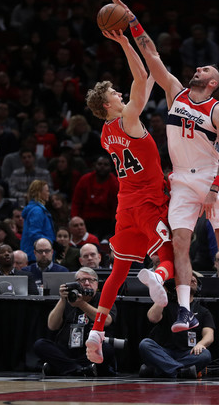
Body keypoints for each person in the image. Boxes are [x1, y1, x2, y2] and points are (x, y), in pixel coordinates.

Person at [116, 0, 219, 347]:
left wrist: (214, 191)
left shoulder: (218, 111)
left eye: (206, 70)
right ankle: (184, 310)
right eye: (199, 67)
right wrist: (132, 20)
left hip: (212, 178)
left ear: (213, 83)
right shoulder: (176, 93)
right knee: (181, 240)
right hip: (180, 178)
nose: (199, 69)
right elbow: (152, 55)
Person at [83, 25, 176, 365]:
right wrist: (124, 41)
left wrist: (152, 64)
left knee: (118, 271)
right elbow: (140, 78)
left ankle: (96, 332)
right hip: (149, 201)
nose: (121, 94)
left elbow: (146, 78)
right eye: (115, 94)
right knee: (170, 258)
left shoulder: (107, 134)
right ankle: (158, 278)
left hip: (126, 206)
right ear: (107, 104)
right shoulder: (129, 120)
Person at [34, 267, 117, 377]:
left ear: (97, 284)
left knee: (107, 349)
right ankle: (80, 369)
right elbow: (52, 326)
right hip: (68, 350)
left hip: (90, 350)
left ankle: (64, 368)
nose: (87, 283)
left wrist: (81, 304)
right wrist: (62, 300)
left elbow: (106, 321)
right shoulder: (69, 299)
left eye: (91, 280)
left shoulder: (104, 298)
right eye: (82, 280)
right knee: (40, 345)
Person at [138, 271, 214, 379]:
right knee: (145, 344)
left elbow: (209, 335)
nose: (192, 280)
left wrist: (201, 344)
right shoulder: (167, 304)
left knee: (205, 355)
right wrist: (162, 294)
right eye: (189, 278)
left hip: (188, 353)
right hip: (165, 352)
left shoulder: (203, 311)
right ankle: (180, 371)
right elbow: (152, 318)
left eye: (194, 280)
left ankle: (161, 369)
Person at [70, 155, 119, 240]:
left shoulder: (115, 183)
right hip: (86, 220)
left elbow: (117, 207)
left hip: (106, 221)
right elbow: (76, 202)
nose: (102, 167)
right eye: (99, 164)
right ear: (94, 165)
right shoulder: (85, 180)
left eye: (105, 164)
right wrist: (74, 218)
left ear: (110, 168)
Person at [20, 180, 55, 262]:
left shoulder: (36, 209)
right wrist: (50, 243)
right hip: (36, 256)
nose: (49, 193)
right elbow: (35, 233)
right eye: (47, 191)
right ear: (39, 192)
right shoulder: (37, 211)